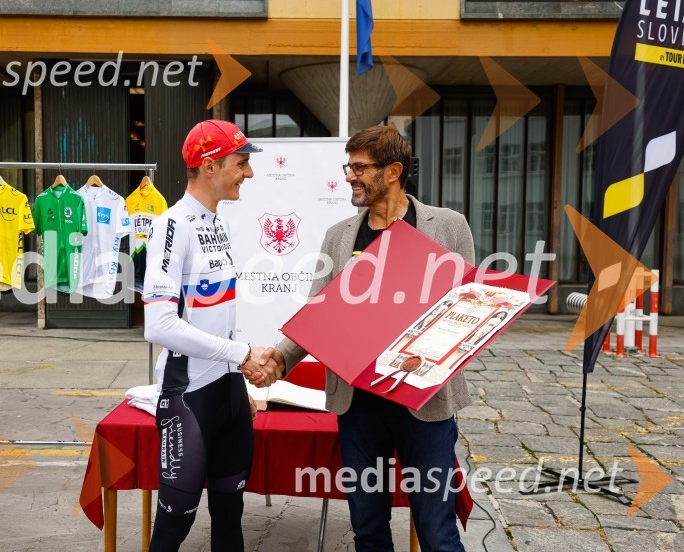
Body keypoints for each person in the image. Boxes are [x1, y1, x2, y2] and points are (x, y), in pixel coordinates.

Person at [259, 126, 475, 552]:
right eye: (349, 166)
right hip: (358, 405)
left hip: (424, 403)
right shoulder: (339, 236)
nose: (350, 176)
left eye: (360, 168)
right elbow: (316, 314)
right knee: (368, 529)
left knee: (437, 531)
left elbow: (464, 310)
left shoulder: (448, 227)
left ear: (393, 171)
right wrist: (280, 361)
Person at [142, 119, 279, 552]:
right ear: (208, 166)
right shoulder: (172, 225)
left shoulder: (215, 222)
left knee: (230, 518)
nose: (249, 173)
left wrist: (238, 368)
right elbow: (159, 325)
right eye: (241, 164)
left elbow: (212, 313)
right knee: (173, 529)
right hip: (190, 397)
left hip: (228, 393)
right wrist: (241, 353)